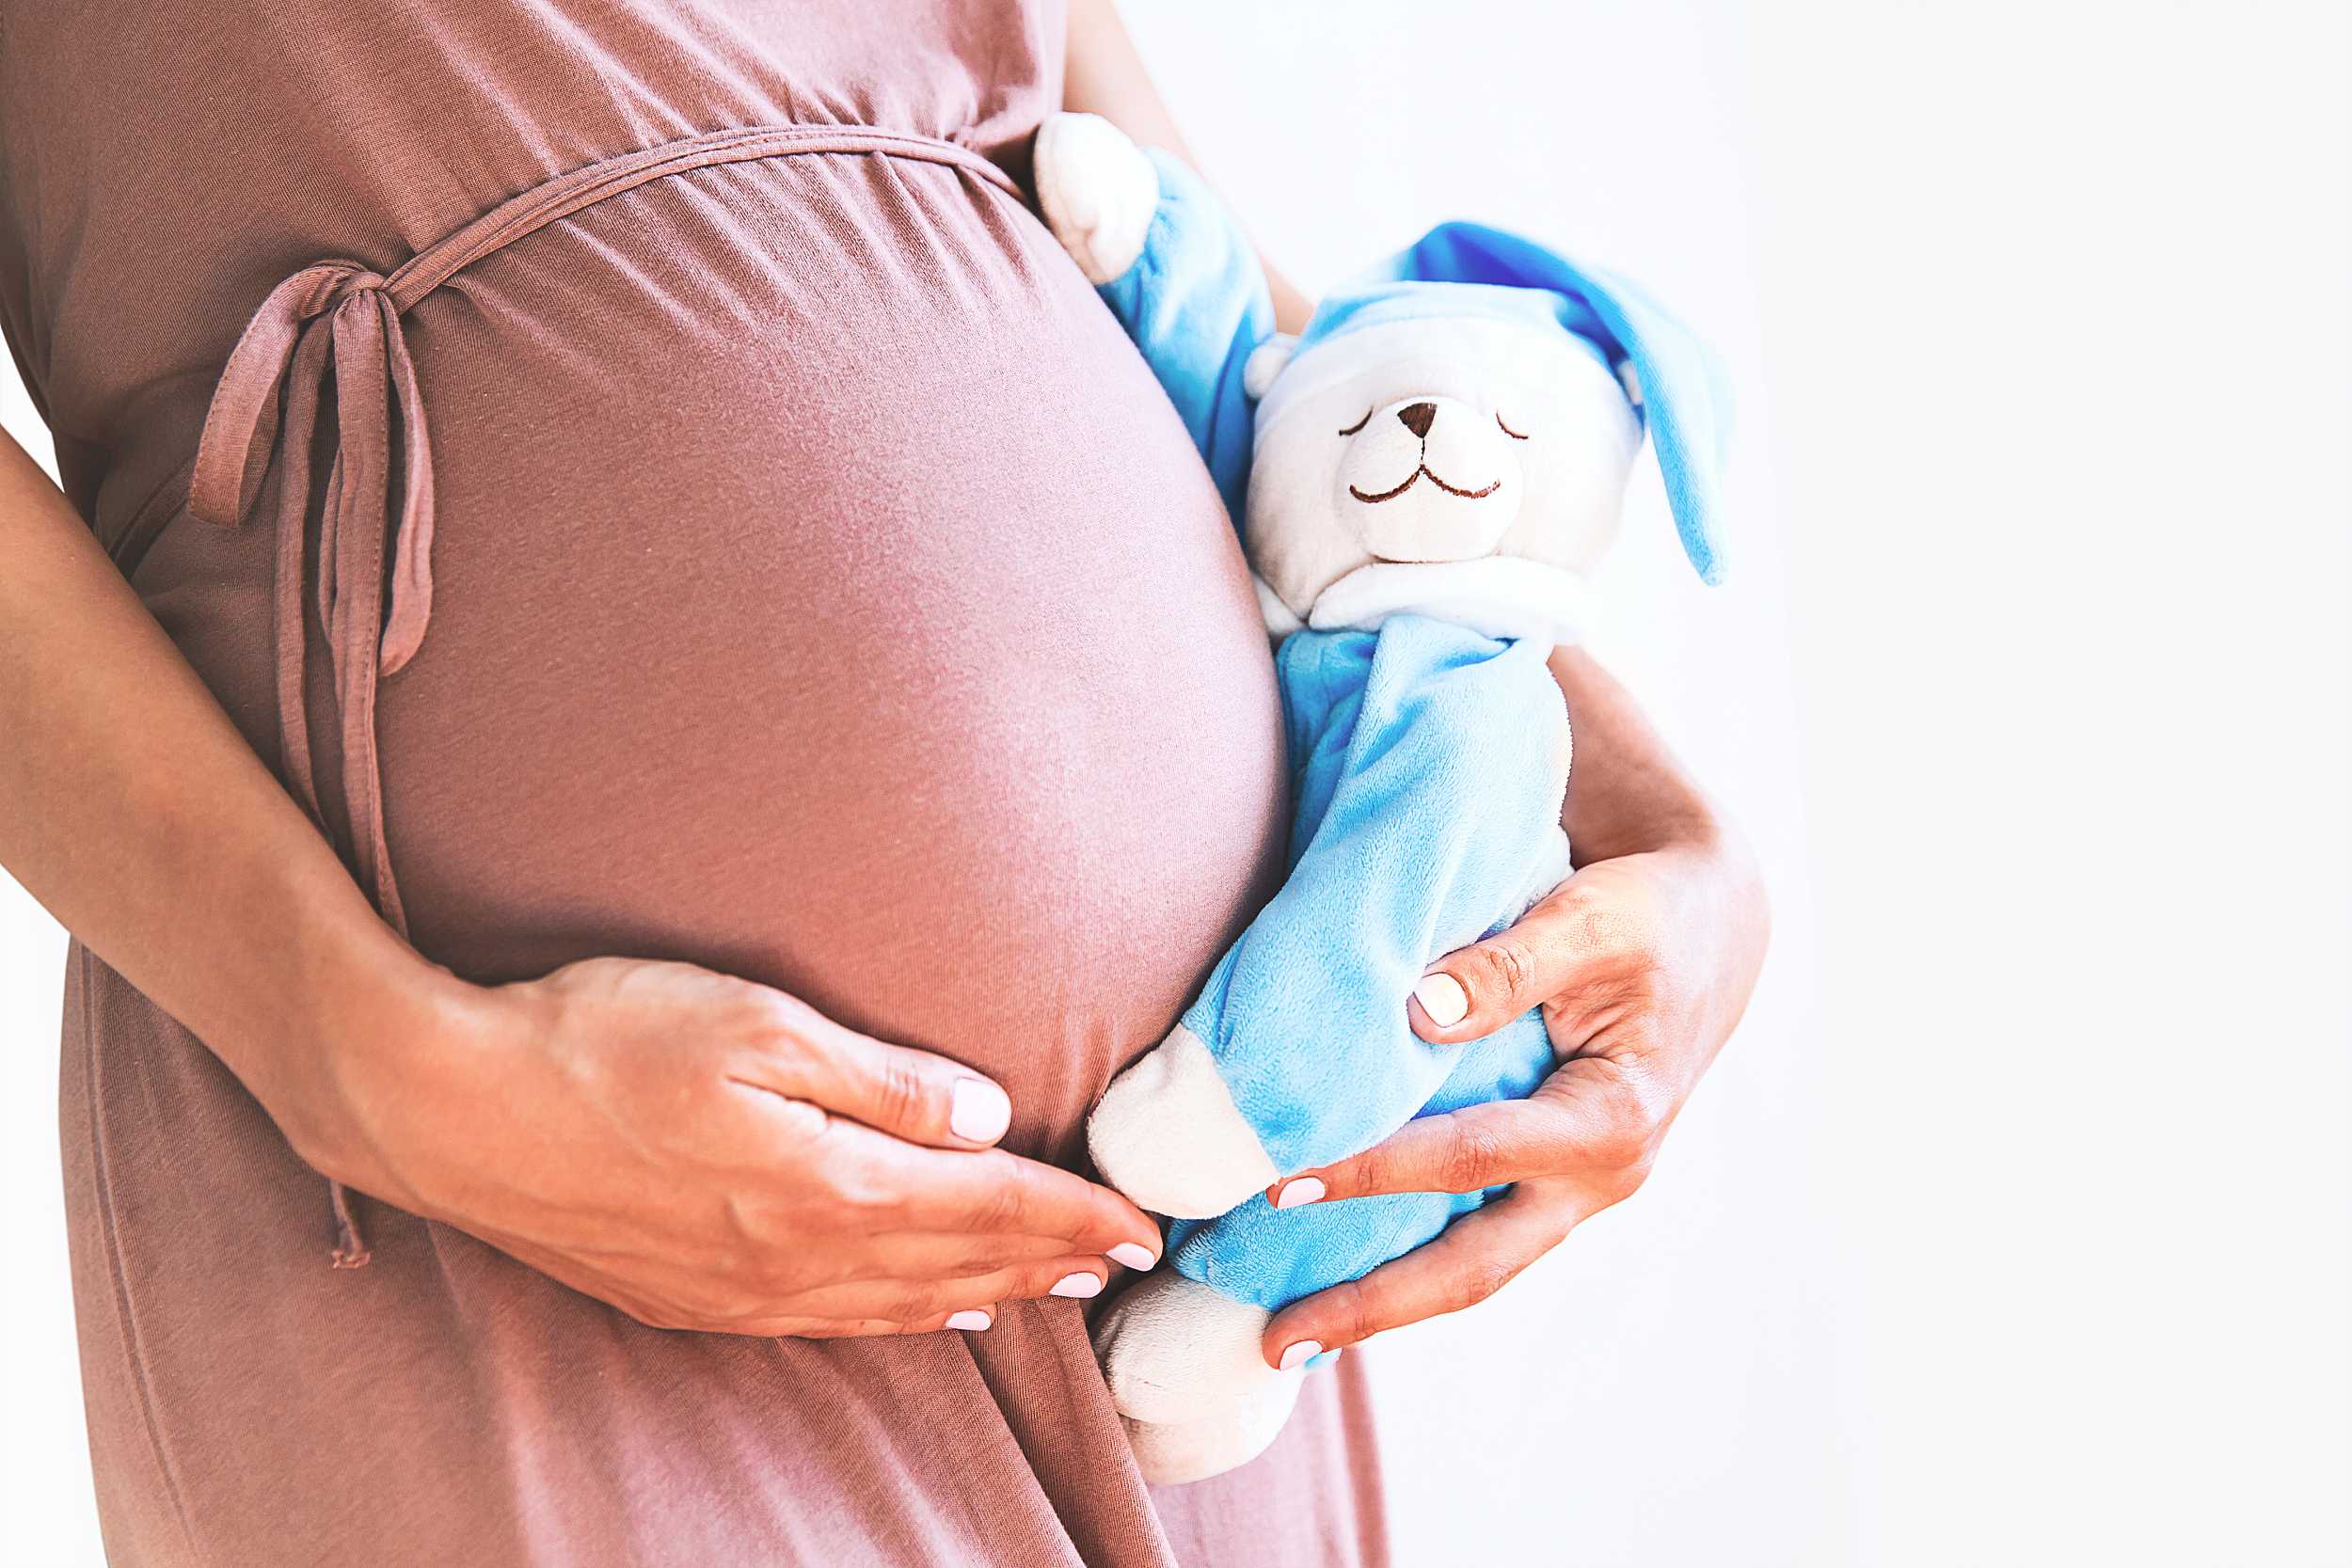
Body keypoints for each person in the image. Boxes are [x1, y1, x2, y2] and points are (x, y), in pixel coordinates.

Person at [0, 2, 1767, 1563]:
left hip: (1214, 1251)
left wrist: (1658, 828)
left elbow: (1188, 272)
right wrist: (372, 1066)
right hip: (514, 1178)